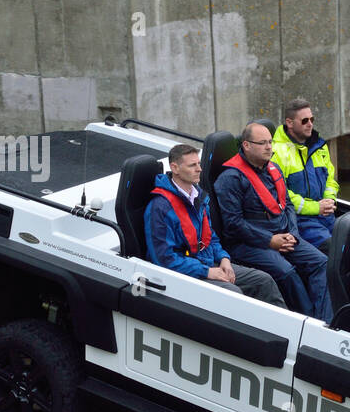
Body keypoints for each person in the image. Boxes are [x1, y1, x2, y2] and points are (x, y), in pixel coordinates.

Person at [143, 144, 285, 307]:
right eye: (192, 165)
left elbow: (210, 237)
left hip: (208, 263)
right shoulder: (160, 208)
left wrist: (224, 259)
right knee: (233, 294)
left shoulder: (199, 196)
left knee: (263, 281)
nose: (199, 169)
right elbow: (164, 259)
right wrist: (207, 272)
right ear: (175, 168)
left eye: (199, 164)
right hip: (185, 274)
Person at [215, 123, 332, 321]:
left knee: (320, 262)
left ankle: (325, 319)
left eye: (270, 142)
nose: (269, 147)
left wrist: (293, 233)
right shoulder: (230, 179)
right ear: (246, 145)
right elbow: (233, 224)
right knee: (286, 272)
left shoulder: (273, 169)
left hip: (285, 235)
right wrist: (270, 240)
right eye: (262, 143)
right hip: (248, 243)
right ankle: (306, 320)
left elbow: (287, 206)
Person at [271, 98, 338, 251]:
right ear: (289, 123)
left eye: (312, 119)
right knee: (332, 248)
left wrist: (329, 199)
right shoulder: (277, 153)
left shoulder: (319, 146)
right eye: (304, 120)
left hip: (325, 214)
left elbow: (330, 179)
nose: (310, 124)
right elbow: (280, 194)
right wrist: (315, 207)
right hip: (300, 220)